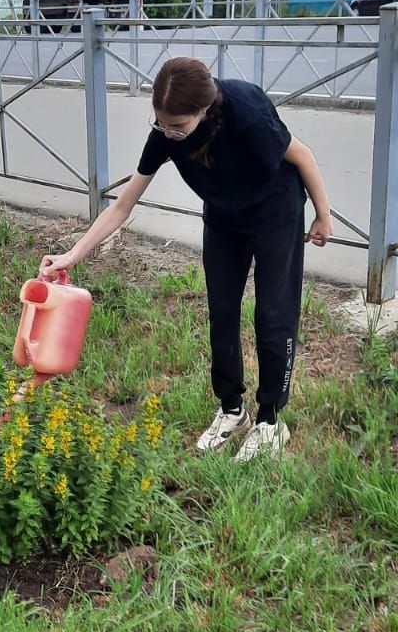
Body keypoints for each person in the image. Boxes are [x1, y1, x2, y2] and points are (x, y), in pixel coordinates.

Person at [40, 57, 332, 460]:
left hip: (274, 212)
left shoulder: (245, 110)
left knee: (273, 314)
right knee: (222, 312)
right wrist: (72, 254)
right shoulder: (165, 134)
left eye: (177, 126)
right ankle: (233, 410)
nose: (168, 133)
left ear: (204, 109)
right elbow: (123, 206)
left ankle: (269, 421)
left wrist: (322, 214)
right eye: (161, 124)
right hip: (224, 219)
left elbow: (303, 157)